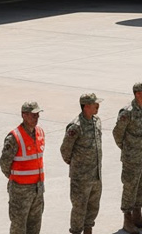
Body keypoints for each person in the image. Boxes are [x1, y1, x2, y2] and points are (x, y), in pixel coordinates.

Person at [113, 82, 142, 232]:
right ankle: (127, 220)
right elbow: (117, 134)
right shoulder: (127, 112)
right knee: (130, 188)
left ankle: (138, 216)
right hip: (132, 159)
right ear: (138, 94)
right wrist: (128, 150)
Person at [0, 101, 45, 234]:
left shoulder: (40, 132)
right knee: (18, 228)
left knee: (35, 227)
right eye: (33, 115)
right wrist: (16, 177)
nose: (36, 118)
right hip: (21, 191)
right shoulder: (14, 137)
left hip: (38, 189)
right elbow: (4, 163)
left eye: (37, 115)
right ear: (23, 115)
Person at [61, 93, 102, 234]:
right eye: (94, 104)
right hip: (81, 178)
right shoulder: (75, 127)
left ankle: (88, 230)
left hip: (96, 175)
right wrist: (77, 167)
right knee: (79, 209)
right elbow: (65, 150)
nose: (98, 106)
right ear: (85, 106)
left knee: (93, 206)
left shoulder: (96, 121)